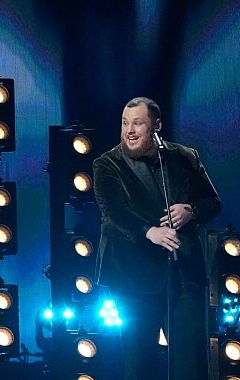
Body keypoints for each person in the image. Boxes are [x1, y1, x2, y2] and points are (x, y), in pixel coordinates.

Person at [93, 97, 221, 379]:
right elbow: (113, 211)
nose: (129, 130)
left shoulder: (185, 157)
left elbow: (213, 201)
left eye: (137, 123)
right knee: (140, 363)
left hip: (183, 273)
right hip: (133, 275)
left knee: (190, 363)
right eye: (125, 123)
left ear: (157, 126)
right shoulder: (108, 163)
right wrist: (150, 232)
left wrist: (191, 211)